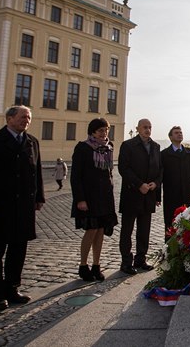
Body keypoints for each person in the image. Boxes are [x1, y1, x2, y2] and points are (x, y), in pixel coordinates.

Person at [0, 105, 45, 311]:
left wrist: (39, 196)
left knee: (18, 249)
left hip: (23, 206)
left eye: (29, 117)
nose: (27, 120)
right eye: (23, 117)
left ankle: (12, 287)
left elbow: (37, 172)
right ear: (9, 119)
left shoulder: (32, 142)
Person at [70, 118, 118, 281]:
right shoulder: (83, 148)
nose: (104, 133)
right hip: (89, 196)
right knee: (91, 230)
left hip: (104, 195)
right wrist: (80, 199)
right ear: (92, 132)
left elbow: (109, 172)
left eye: (106, 129)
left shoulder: (109, 147)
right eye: (100, 130)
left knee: (101, 231)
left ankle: (96, 265)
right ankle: (83, 265)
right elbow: (76, 176)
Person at [118, 119, 162, 275]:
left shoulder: (156, 147)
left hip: (148, 195)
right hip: (132, 194)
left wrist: (155, 186)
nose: (148, 130)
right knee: (127, 230)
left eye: (150, 127)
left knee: (144, 231)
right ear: (138, 129)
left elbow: (159, 172)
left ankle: (140, 259)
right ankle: (126, 262)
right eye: (145, 127)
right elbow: (124, 169)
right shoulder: (128, 145)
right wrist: (139, 184)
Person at [160, 126, 190, 232]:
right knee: (170, 222)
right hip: (170, 195)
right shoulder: (164, 154)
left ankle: (184, 247)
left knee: (187, 221)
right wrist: (157, 197)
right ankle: (168, 247)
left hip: (186, 194)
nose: (179, 134)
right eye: (176, 133)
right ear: (171, 137)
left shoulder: (189, 153)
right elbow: (159, 176)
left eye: (180, 132)